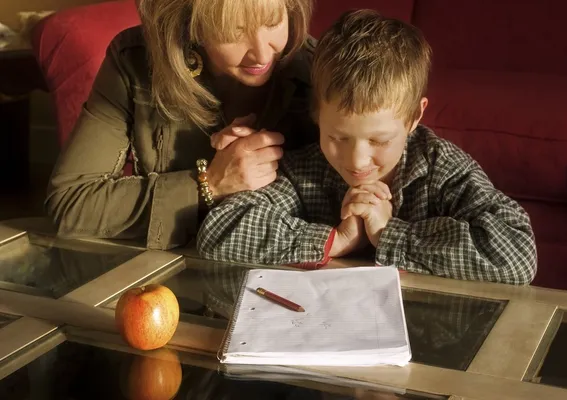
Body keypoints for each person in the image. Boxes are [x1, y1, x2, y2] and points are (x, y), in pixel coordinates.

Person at [196, 10, 538, 285]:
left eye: (379, 140)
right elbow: (220, 231)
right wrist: (335, 241)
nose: (356, 160)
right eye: (338, 137)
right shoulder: (305, 168)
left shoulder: (441, 167)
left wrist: (391, 236)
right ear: (316, 113)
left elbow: (517, 255)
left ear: (414, 117)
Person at [44, 0, 318, 250]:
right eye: (233, 32)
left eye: (273, 22)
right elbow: (72, 203)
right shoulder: (135, 61)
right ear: (190, 24)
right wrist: (210, 183)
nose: (261, 53)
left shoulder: (320, 70)